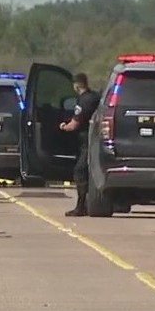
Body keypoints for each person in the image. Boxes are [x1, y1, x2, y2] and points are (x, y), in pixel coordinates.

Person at [59, 73, 101, 216]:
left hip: (87, 142)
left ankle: (81, 206)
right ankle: (89, 203)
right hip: (97, 141)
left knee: (80, 173)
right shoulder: (95, 97)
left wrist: (63, 126)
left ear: (76, 85)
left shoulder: (84, 101)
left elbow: (74, 125)